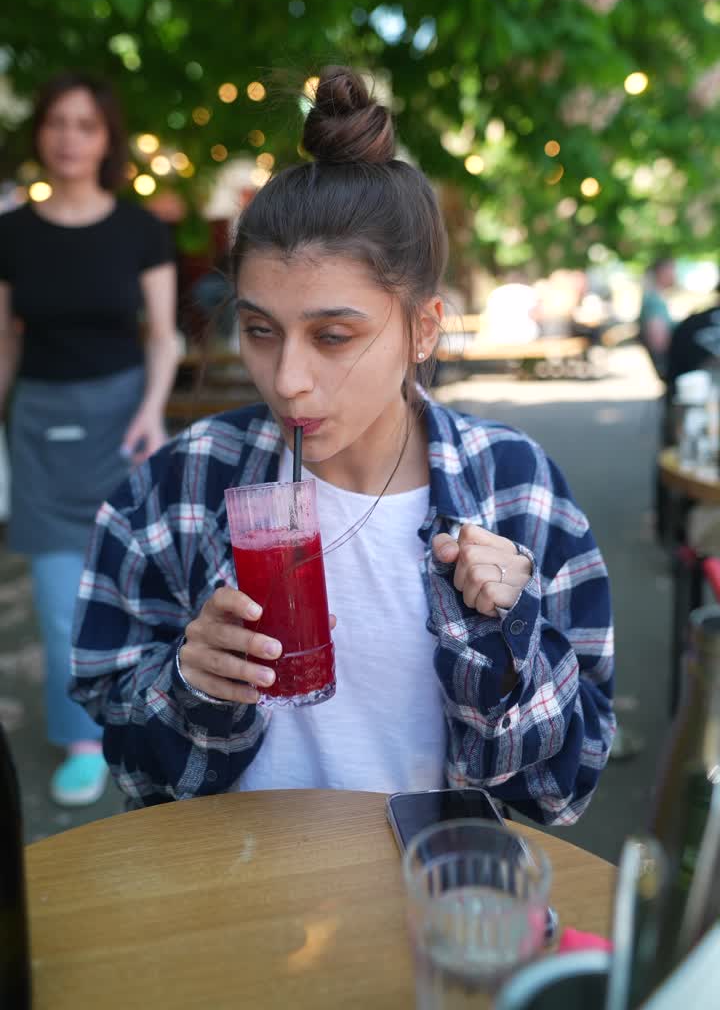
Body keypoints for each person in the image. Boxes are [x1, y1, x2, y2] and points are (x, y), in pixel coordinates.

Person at [70, 66, 614, 825]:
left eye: (332, 336)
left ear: (423, 329)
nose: (288, 380)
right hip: (228, 877)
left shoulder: (516, 487)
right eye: (260, 330)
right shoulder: (180, 483)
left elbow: (565, 787)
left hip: (429, 877)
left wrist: (514, 635)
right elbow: (123, 741)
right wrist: (190, 686)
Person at [0, 72, 177, 806]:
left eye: (86, 125)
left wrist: (153, 413)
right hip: (39, 426)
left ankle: (154, 711)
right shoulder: (10, 233)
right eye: (57, 123)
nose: (69, 138)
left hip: (123, 422)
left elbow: (163, 337)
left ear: (107, 139)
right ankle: (80, 737)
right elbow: (4, 341)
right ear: (40, 133)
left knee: (139, 588)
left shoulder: (141, 229)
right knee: (56, 601)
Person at [638, 258, 676, 381]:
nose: (675, 275)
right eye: (672, 270)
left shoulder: (654, 297)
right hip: (670, 363)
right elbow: (658, 341)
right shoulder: (654, 301)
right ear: (662, 273)